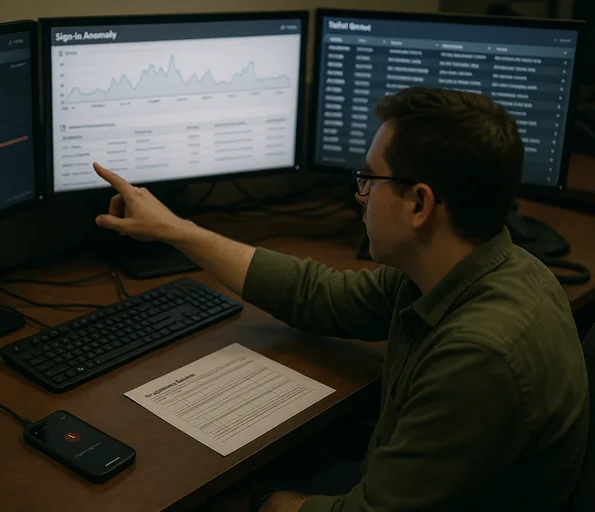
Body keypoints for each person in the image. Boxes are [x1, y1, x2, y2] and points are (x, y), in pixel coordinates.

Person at [92, 87, 589, 511]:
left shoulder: (479, 357)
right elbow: (319, 295)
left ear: (419, 204)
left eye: (370, 179)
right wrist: (174, 230)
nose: (361, 195)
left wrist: (258, 501)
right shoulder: (477, 267)